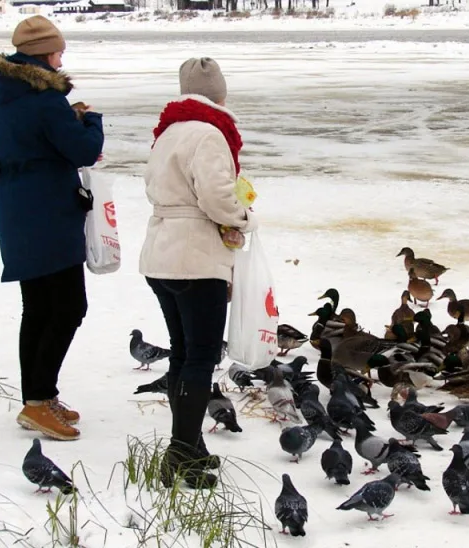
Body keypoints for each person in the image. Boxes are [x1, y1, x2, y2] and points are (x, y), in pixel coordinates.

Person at [140, 57, 256, 488]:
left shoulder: (167, 132)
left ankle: (189, 444)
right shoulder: (209, 134)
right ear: (218, 93)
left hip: (161, 254)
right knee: (200, 358)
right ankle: (182, 454)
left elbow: (156, 187)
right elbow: (218, 198)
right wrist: (243, 218)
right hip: (195, 259)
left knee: (183, 352)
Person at [0, 15, 104, 441]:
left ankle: (39, 397)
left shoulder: (9, 93)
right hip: (48, 213)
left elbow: (30, 138)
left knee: (38, 307)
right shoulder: (44, 100)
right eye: (57, 50)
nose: (62, 56)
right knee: (69, 307)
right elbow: (83, 151)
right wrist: (90, 121)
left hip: (18, 208)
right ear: (42, 54)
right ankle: (38, 402)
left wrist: (64, 117)